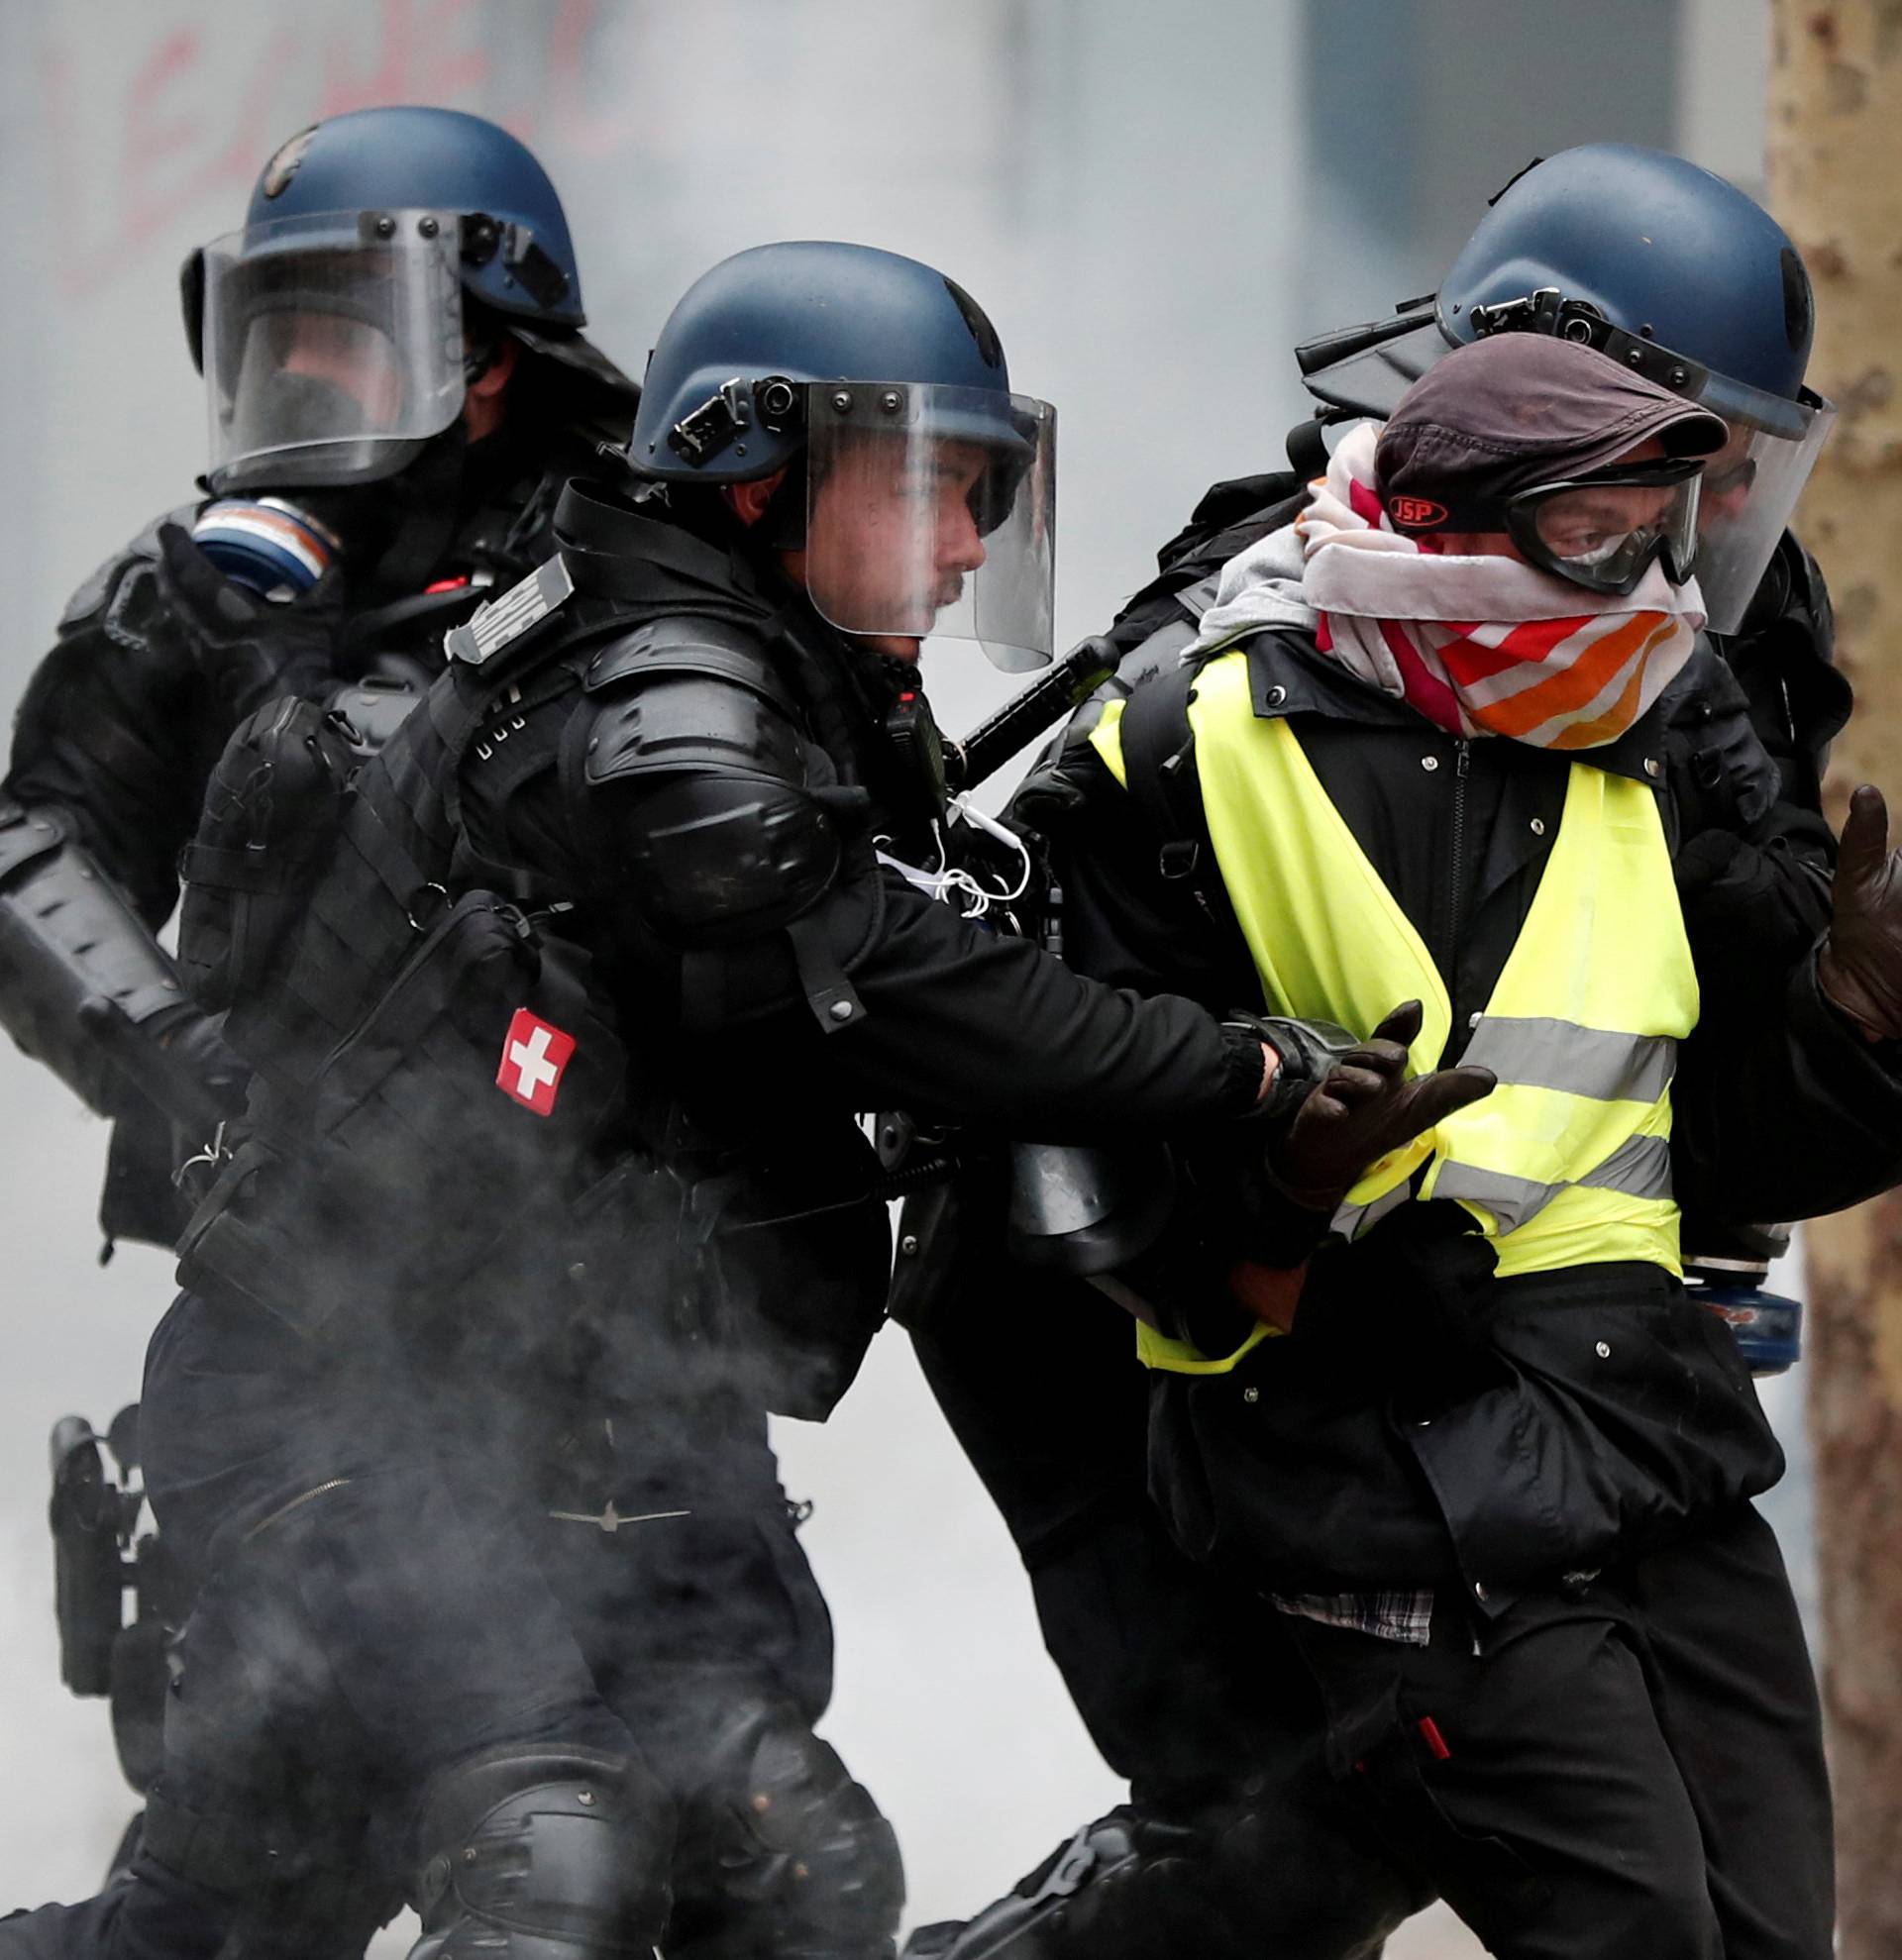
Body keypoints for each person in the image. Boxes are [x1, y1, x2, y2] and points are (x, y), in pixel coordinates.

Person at [2, 240, 1485, 1960]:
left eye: (991, 490)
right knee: (545, 1864)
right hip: (352, 1411)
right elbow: (894, 972)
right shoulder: (657, 705)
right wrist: (1237, 1072)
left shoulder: (776, 678)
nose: (968, 540)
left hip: (592, 1411)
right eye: (933, 483)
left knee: (784, 1875)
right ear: (762, 472)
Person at [903, 142, 1853, 1960]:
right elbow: (1062, 1043)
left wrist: (1847, 1039)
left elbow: (1695, 1044)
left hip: (1512, 1354)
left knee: (1394, 1834)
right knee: (1270, 1818)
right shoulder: (1268, 627)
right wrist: (1268, 1248)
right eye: (1681, 455)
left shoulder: (1707, 628)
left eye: (1739, 468)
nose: (1709, 518)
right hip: (1098, 1287)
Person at [0, 103, 641, 1838]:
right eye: (266, 330)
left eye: (333, 330)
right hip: (302, 1301)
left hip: (605, 1310)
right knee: (284, 1868)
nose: (291, 373)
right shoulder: (200, 588)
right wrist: (169, 1049)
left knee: (729, 1842)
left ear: (493, 360)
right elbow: (31, 845)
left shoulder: (631, 575)